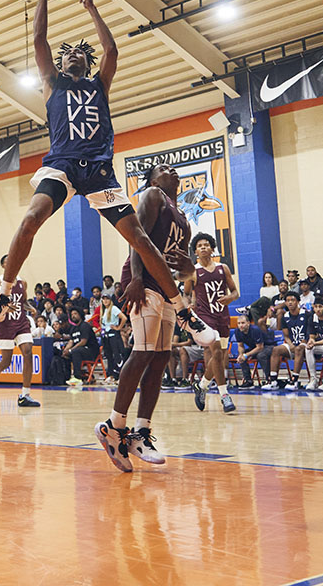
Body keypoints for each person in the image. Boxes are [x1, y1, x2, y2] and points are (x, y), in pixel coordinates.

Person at [0, 0, 206, 338]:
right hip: (63, 166)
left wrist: (91, 7)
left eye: (81, 55)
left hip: (99, 171)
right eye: (69, 56)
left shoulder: (100, 85)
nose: (74, 59)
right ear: (61, 64)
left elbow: (112, 49)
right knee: (31, 219)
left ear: (87, 62)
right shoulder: (52, 84)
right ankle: (2, 296)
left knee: (140, 240)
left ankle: (182, 311)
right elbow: (38, 38)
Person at [94, 164, 197, 471]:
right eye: (165, 168)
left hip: (165, 285)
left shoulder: (184, 221)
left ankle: (141, 432)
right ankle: (114, 426)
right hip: (142, 281)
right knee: (142, 353)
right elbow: (137, 238)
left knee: (161, 357)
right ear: (153, 180)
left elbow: (182, 268)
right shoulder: (153, 196)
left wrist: (189, 268)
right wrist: (135, 278)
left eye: (174, 168)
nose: (173, 171)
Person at [0, 256, 41, 407]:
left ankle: (25, 395)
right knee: (6, 361)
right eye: (8, 262)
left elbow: (22, 302)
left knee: (28, 353)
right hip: (5, 323)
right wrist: (4, 306)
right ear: (3, 266)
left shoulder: (22, 282)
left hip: (21, 322)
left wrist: (30, 308)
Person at [187, 231, 239, 412]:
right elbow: (186, 294)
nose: (203, 248)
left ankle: (202, 385)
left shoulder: (222, 268)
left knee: (220, 357)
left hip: (222, 316)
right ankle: (224, 395)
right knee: (216, 351)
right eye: (199, 246)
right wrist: (189, 306)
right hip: (204, 317)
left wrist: (229, 299)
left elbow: (235, 292)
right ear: (195, 251)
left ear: (212, 248)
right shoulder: (193, 272)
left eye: (206, 245)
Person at [262, 292, 309, 390]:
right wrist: (290, 344)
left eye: (292, 300)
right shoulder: (285, 316)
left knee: (299, 349)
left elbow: (309, 333)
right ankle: (273, 381)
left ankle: (294, 380)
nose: (290, 303)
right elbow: (286, 335)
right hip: (292, 344)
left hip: (305, 344)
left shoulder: (306, 314)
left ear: (298, 302)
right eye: (288, 301)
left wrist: (301, 344)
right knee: (276, 350)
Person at [233, 313, 275, 389]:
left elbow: (260, 347)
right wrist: (241, 354)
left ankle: (270, 380)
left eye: (243, 323)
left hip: (269, 346)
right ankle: (248, 381)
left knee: (261, 355)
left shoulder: (255, 330)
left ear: (248, 323)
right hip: (255, 347)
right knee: (242, 358)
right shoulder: (237, 331)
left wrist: (246, 355)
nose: (240, 325)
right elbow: (240, 346)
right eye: (239, 323)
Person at [63, 307, 98, 388]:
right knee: (65, 354)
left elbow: (83, 342)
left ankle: (77, 377)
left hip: (91, 351)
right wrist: (66, 350)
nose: (73, 316)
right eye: (71, 315)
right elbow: (71, 341)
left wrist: (71, 350)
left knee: (76, 352)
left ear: (80, 315)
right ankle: (68, 376)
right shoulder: (73, 328)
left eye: (75, 314)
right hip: (80, 351)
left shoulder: (85, 326)